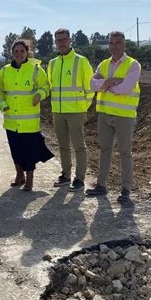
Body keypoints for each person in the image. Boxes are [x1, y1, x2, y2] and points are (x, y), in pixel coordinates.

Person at [85, 31, 141, 203]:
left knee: (125, 152)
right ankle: (101, 186)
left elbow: (125, 88)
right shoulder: (103, 64)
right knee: (105, 150)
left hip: (124, 116)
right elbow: (92, 84)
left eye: (117, 43)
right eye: (111, 43)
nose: (114, 46)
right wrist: (111, 81)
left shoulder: (133, 65)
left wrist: (105, 84)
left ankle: (125, 190)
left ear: (124, 45)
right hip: (105, 114)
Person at [0, 39, 54, 192]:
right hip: (11, 121)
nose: (19, 54)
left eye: (22, 51)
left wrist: (39, 95)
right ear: (12, 53)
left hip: (29, 121)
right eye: (16, 51)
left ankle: (29, 178)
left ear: (27, 52)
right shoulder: (4, 71)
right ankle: (19, 175)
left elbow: (46, 86)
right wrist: (3, 106)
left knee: (29, 151)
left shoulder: (36, 69)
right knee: (15, 150)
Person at [48, 28, 95, 191]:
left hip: (76, 112)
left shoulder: (81, 61)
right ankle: (66, 175)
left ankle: (80, 178)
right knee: (63, 145)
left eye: (63, 39)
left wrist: (83, 107)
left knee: (79, 146)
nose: (60, 43)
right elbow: (51, 86)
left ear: (70, 40)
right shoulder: (52, 63)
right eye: (58, 40)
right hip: (58, 112)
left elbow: (90, 89)